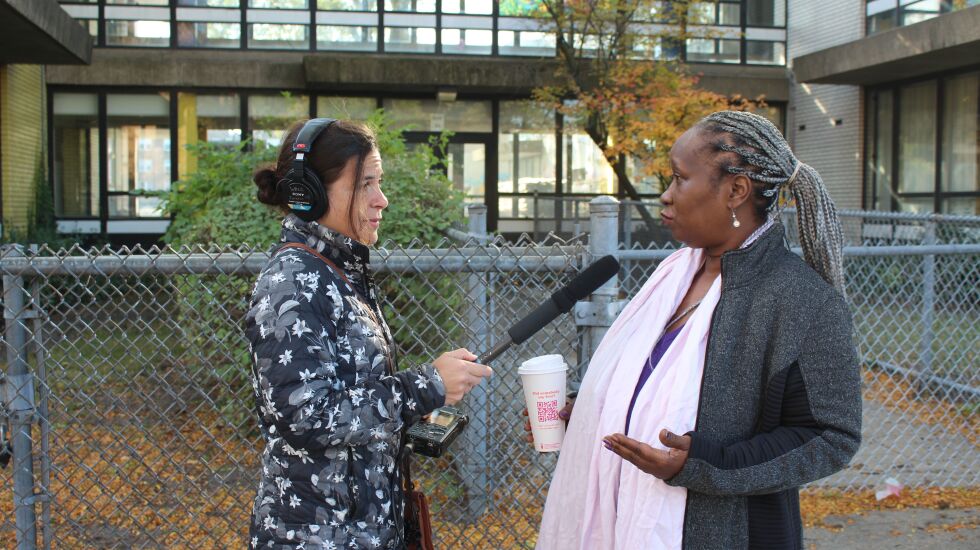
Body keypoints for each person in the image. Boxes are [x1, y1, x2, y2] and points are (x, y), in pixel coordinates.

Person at [534, 111, 862, 549]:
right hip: (615, 520)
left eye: (679, 179)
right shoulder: (672, 275)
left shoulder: (801, 300)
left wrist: (707, 463)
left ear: (735, 191)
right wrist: (597, 411)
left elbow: (831, 436)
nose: (666, 196)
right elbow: (654, 381)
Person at [245, 118, 492, 549]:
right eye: (365, 185)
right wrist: (423, 387)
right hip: (318, 537)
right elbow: (307, 418)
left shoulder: (337, 272)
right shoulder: (292, 283)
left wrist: (414, 407)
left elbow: (352, 398)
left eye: (379, 183)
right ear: (310, 193)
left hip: (362, 531)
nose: (382, 199)